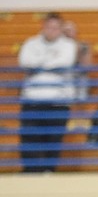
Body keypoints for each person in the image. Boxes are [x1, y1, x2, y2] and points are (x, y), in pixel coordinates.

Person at [18, 13, 79, 173]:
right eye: (49, 27)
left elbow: (65, 61)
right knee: (30, 139)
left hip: (58, 102)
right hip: (32, 101)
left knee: (53, 139)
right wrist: (51, 66)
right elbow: (24, 61)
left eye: (56, 27)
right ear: (43, 27)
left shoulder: (68, 45)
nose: (52, 31)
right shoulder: (31, 43)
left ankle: (48, 172)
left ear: (60, 29)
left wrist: (39, 67)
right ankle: (30, 174)